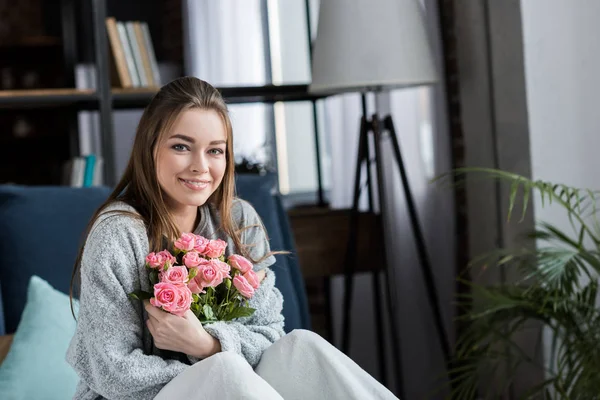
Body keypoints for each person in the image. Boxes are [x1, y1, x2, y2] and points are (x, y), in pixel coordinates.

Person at [66, 77, 399, 400]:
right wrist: (219, 367)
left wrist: (207, 345)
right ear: (150, 148)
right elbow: (114, 372)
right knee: (226, 371)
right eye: (181, 146)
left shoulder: (237, 222)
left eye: (215, 151)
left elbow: (270, 334)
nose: (200, 167)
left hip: (228, 382)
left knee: (301, 346)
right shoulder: (119, 233)